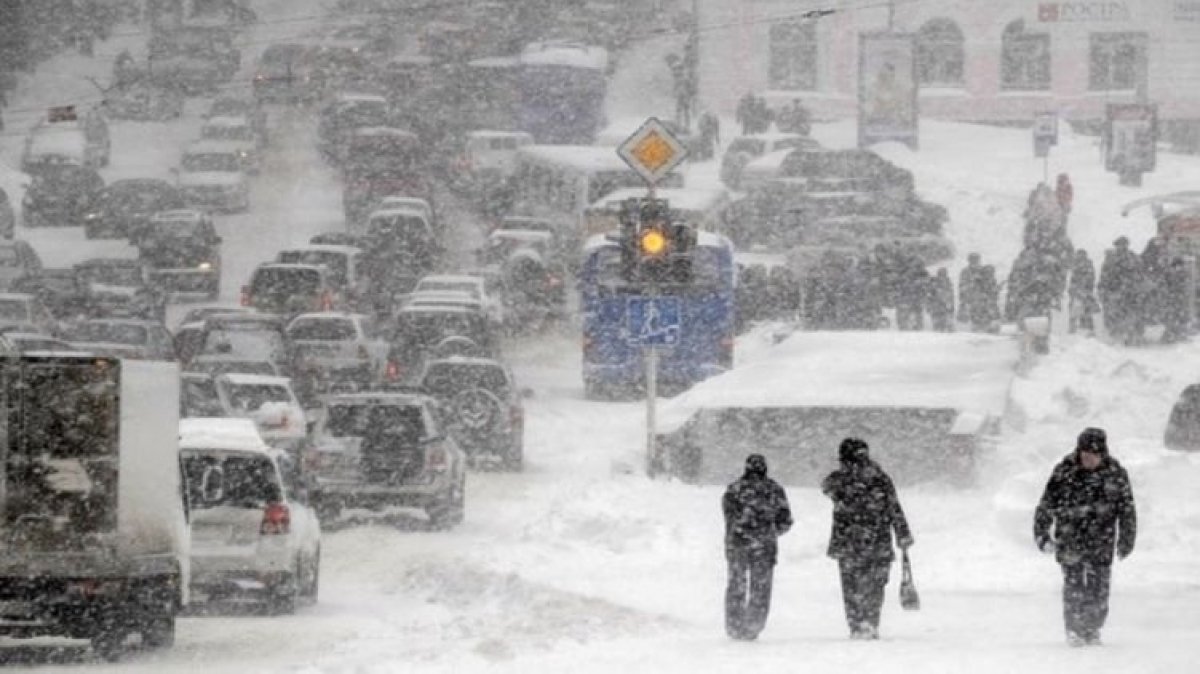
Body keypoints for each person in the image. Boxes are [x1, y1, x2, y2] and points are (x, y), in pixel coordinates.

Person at [1034, 427, 1137, 647]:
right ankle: (1074, 629)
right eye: (1085, 454)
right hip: (1070, 539)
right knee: (1074, 587)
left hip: (1102, 541)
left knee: (1099, 589)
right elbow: (1046, 504)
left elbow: (1127, 510)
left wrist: (1127, 539)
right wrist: (1041, 534)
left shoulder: (1116, 474)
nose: (1088, 459)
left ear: (1103, 453)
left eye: (1093, 454)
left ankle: (1093, 629)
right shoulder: (1064, 472)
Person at [821, 438, 913, 640]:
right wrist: (902, 534)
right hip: (877, 541)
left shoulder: (841, 480)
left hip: (848, 543)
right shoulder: (880, 478)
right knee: (875, 585)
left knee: (851, 585)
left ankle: (856, 624)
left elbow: (826, 487)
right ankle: (870, 622)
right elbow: (894, 508)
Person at [722, 453, 793, 641]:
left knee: (736, 584)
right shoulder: (774, 489)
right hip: (764, 546)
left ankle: (734, 625)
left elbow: (728, 516)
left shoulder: (734, 489)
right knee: (761, 587)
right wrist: (769, 532)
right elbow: (785, 520)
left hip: (738, 544)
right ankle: (753, 625)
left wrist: (737, 533)